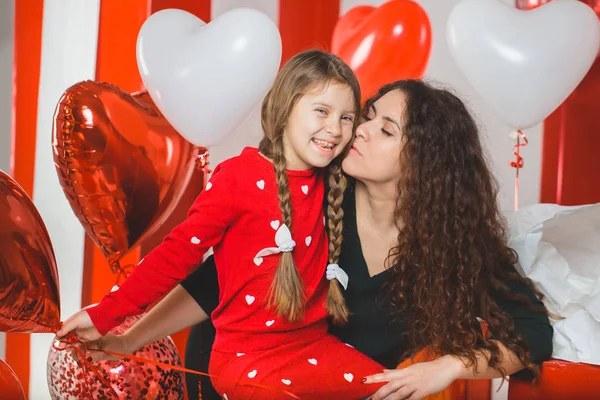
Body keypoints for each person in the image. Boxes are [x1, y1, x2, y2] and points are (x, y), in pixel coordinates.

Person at [84, 80, 554, 400]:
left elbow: (534, 333)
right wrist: (129, 339)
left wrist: (450, 366)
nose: (358, 131)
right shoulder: (312, 199)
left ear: (426, 165)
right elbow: (214, 283)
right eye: (365, 117)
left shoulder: (455, 248)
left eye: (384, 129)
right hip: (233, 378)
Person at [56, 49, 388, 400]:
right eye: (321, 111)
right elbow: (176, 254)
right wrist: (106, 314)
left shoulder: (334, 182)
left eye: (347, 118)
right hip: (244, 360)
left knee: (393, 389)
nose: (335, 130)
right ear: (285, 108)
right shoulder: (237, 178)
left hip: (311, 346)